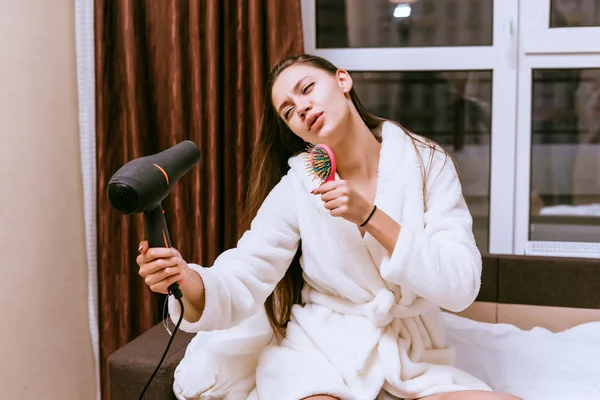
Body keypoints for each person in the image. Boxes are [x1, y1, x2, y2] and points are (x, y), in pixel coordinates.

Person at [136, 54, 521, 400]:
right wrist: (187, 279)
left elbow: (461, 286)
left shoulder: (427, 164)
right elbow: (247, 272)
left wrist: (369, 216)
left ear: (342, 80)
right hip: (320, 351)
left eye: (307, 90)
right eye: (288, 111)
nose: (301, 108)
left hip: (412, 356)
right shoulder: (300, 185)